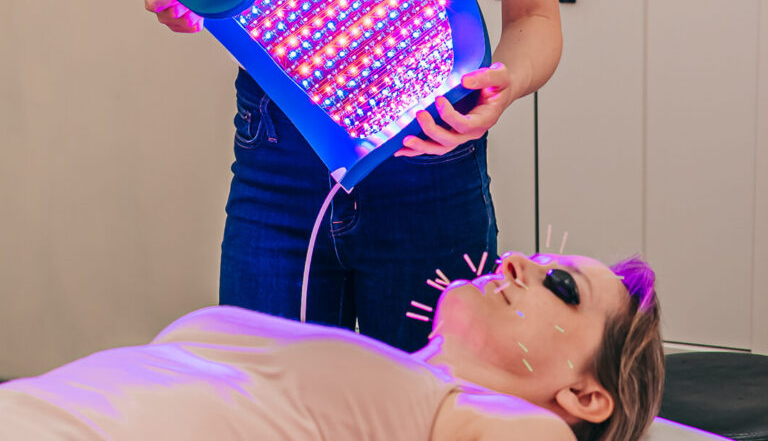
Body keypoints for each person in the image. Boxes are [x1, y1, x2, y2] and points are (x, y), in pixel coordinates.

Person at [141, 0, 570, 350]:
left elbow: (535, 16)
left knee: (428, 411)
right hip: (275, 155)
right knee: (269, 412)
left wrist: (504, 82)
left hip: (428, 156)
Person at [0, 252, 664, 440]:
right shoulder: (397, 381)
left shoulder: (516, 427)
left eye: (559, 286)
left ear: (584, 394)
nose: (514, 259)